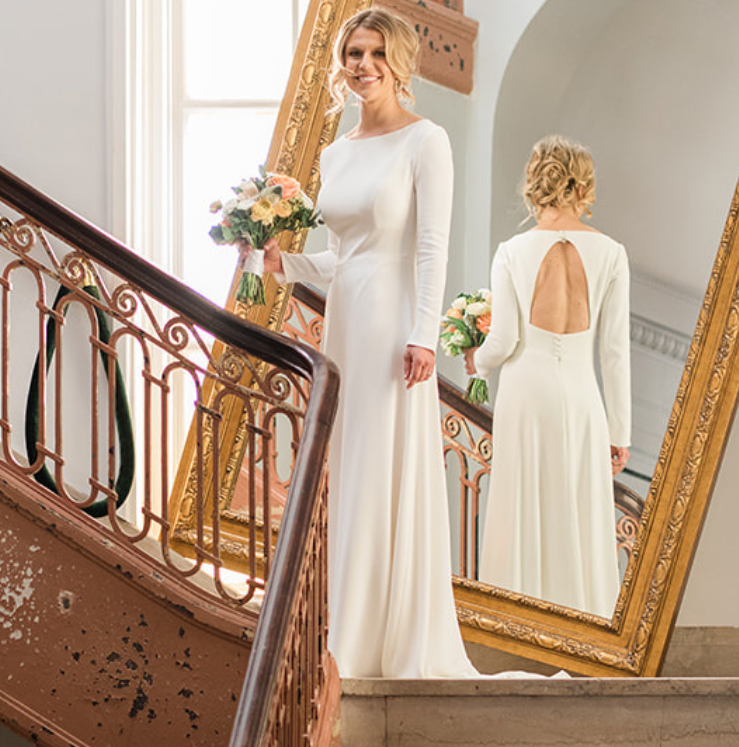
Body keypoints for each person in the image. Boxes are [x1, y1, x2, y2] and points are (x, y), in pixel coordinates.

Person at [248, 7, 474, 677]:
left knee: (383, 464)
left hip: (396, 327)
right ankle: (344, 632)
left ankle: (384, 639)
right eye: (353, 52)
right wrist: (279, 263)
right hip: (346, 325)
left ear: (398, 63)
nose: (362, 65)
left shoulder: (426, 141)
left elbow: (432, 246)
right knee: (345, 468)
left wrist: (424, 334)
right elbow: (341, 257)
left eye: (375, 53)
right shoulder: (334, 151)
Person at [465, 135, 631, 618]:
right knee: (577, 510)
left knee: (523, 506)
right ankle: (582, 627)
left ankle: (514, 626)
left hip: (525, 392)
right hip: (581, 395)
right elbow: (615, 350)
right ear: (583, 187)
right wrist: (619, 433)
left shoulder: (513, 251)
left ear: (536, 184)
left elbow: (505, 340)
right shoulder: (612, 253)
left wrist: (476, 359)